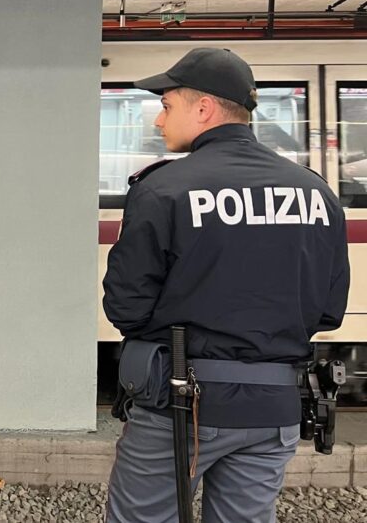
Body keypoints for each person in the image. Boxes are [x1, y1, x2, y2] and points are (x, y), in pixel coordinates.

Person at [102, 47, 349, 523]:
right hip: (272, 408)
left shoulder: (164, 190)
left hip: (179, 404)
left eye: (167, 106)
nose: (158, 122)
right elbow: (328, 310)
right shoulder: (317, 192)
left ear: (203, 108)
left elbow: (126, 307)